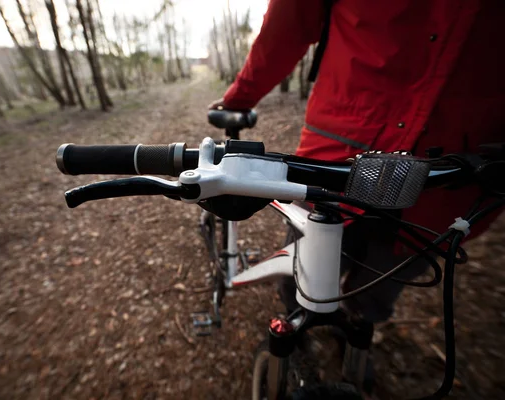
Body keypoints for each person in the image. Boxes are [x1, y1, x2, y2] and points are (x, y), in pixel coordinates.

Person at [209, 0, 505, 325]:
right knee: (303, 274)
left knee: (375, 292)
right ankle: (298, 320)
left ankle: (351, 336)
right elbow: (290, 20)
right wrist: (240, 98)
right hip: (342, 153)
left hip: (453, 175)